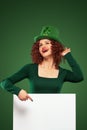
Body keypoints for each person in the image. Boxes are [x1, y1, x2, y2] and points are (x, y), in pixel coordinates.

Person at [0, 26, 84, 101]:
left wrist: (67, 55)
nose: (43, 46)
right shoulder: (30, 69)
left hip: (55, 114)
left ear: (55, 46)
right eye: (40, 45)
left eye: (47, 43)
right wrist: (18, 91)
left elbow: (79, 77)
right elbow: (4, 83)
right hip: (33, 114)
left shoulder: (63, 73)